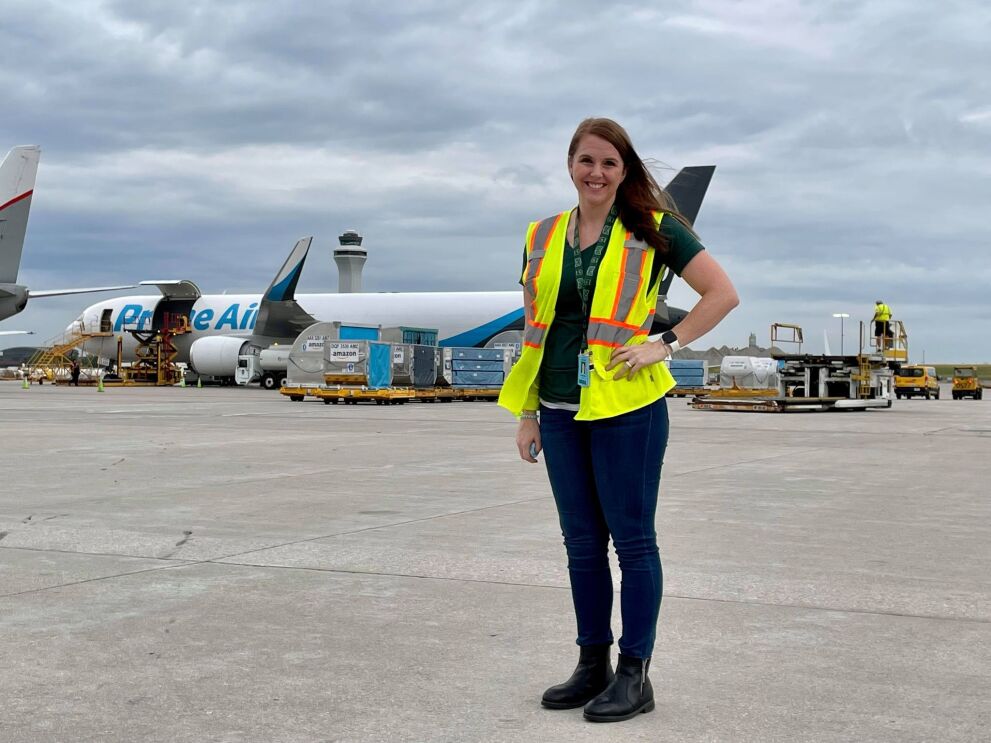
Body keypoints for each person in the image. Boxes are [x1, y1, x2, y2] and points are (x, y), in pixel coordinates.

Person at [498, 118, 738, 723]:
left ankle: (635, 674)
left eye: (608, 163)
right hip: (557, 408)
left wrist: (667, 342)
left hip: (628, 407)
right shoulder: (542, 233)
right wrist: (527, 413)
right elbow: (538, 328)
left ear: (624, 170)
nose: (596, 173)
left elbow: (721, 294)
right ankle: (591, 664)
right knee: (581, 545)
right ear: (570, 165)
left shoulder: (655, 228)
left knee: (632, 543)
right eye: (586, 161)